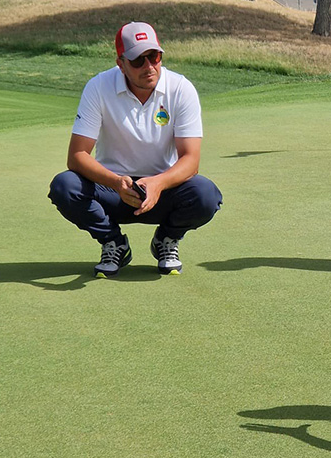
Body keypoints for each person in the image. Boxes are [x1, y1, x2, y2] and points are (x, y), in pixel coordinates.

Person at [49, 22, 222, 277]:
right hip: (112, 189)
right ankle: (113, 243)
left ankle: (166, 239)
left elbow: (191, 159)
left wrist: (158, 184)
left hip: (164, 190)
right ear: (121, 63)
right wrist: (117, 182)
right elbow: (76, 156)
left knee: (206, 195)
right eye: (138, 60)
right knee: (65, 186)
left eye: (154, 56)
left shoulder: (180, 88)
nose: (149, 67)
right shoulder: (98, 87)